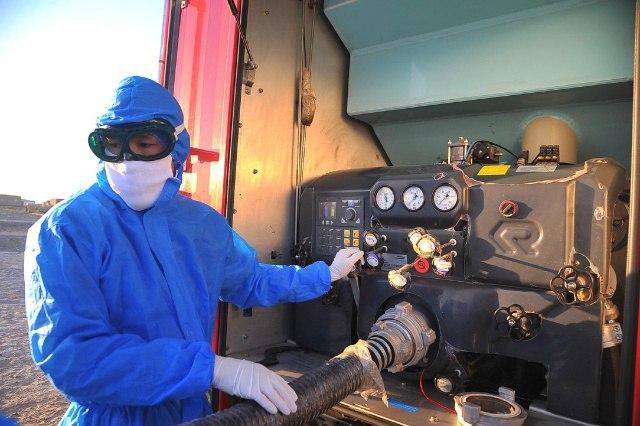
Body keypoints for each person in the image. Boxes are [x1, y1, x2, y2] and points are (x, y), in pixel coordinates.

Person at [24, 76, 364, 425]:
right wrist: (213, 369)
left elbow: (251, 281)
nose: (127, 161)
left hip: (190, 413)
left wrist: (326, 274)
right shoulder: (64, 230)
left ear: (176, 146)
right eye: (112, 143)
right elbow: (74, 358)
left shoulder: (201, 225)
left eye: (144, 142)